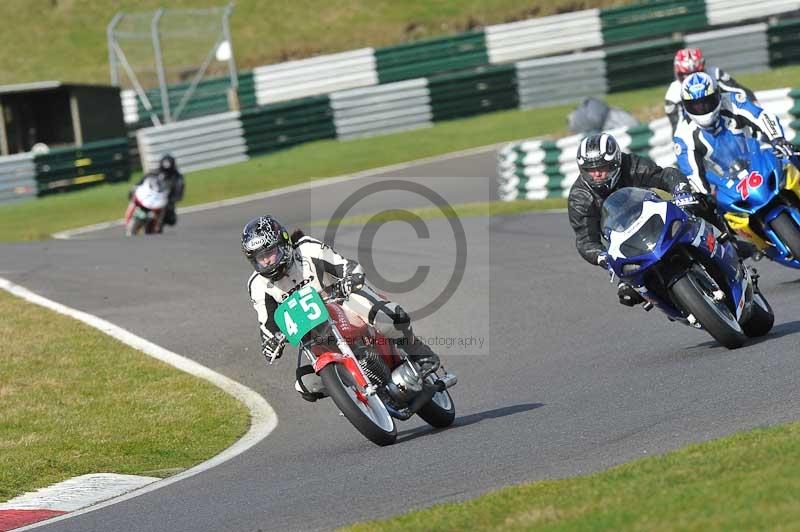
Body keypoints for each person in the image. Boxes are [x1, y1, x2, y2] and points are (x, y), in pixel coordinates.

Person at [242, 215, 440, 401]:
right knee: (305, 385)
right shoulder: (257, 285)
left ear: (283, 244)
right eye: (260, 258)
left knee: (387, 318)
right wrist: (271, 342)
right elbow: (267, 323)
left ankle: (419, 353)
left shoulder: (307, 249)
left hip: (343, 302)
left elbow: (343, 265)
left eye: (270, 253)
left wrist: (351, 277)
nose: (267, 261)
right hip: (314, 333)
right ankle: (354, 395)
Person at [567, 132, 699, 307]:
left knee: (701, 204)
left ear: (615, 163)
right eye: (591, 170)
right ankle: (678, 305)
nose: (597, 174)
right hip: (624, 243)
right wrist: (602, 257)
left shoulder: (631, 165)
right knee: (629, 293)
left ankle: (729, 242)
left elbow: (665, 175)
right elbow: (585, 240)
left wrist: (680, 192)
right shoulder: (579, 198)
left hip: (653, 217)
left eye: (602, 168)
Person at [672, 71, 793, 196]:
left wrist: (778, 139)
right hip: (727, 187)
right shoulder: (683, 136)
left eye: (707, 102)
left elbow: (762, 116)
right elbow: (692, 174)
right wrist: (704, 196)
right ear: (685, 105)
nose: (703, 108)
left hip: (760, 162)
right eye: (696, 106)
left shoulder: (733, 101)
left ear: (718, 96)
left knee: (791, 163)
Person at [665, 48, 756, 133]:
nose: (694, 80)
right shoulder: (672, 95)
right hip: (698, 133)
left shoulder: (715, 74)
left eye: (697, 73)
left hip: (729, 123)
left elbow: (741, 91)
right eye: (686, 75)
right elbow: (677, 128)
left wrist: (754, 109)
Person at [130, 154, 184, 232]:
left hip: (164, 200)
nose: (166, 173)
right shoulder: (154, 173)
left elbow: (179, 192)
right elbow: (142, 181)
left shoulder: (177, 177)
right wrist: (135, 188)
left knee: (171, 219)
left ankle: (158, 225)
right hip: (150, 197)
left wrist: (173, 199)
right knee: (134, 200)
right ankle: (132, 220)